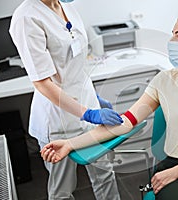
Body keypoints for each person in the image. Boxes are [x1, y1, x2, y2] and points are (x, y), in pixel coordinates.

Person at [41, 10, 178, 200]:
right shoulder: (164, 81)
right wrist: (70, 144)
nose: (171, 41)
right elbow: (125, 123)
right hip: (173, 170)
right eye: (172, 34)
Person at [9, 0, 123, 199]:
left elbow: (73, 62)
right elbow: (42, 82)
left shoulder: (66, 7)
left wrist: (92, 99)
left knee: (105, 175)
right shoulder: (27, 17)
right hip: (58, 119)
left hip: (87, 105)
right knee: (62, 189)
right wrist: (88, 112)